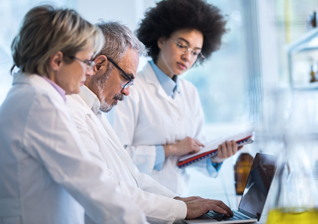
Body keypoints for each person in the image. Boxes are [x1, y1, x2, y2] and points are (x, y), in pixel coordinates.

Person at [66, 21, 234, 224]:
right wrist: (180, 205)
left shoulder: (95, 108)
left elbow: (132, 176)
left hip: (162, 204)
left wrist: (179, 200)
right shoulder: (76, 110)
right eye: (181, 45)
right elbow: (106, 188)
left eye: (195, 51)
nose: (127, 90)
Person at [0, 6, 148, 224]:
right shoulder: (40, 103)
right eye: (86, 61)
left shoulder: (27, 96)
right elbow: (92, 183)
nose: (90, 71)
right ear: (57, 61)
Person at [113, 0, 240, 196]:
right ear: (161, 40)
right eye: (182, 45)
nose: (187, 56)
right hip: (141, 205)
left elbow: (192, 153)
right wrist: (171, 149)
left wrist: (216, 157)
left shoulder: (190, 92)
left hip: (180, 202)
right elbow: (117, 156)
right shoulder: (131, 88)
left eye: (195, 52)